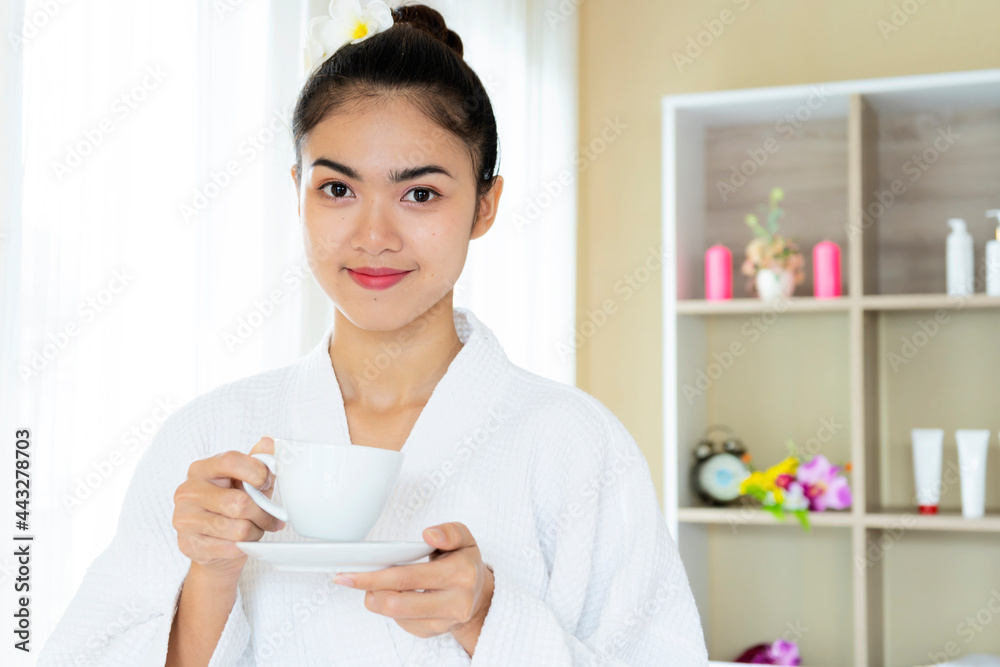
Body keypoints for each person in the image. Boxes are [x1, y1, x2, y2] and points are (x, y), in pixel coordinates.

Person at [39, 3, 708, 665]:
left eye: (419, 194)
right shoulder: (211, 437)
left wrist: (487, 616)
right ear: (296, 191)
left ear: (485, 204)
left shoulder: (577, 445)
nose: (373, 237)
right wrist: (212, 572)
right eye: (337, 190)